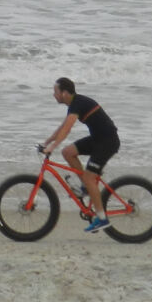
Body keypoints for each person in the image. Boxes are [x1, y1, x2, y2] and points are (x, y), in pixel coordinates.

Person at [40, 77, 120, 233]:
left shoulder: (79, 103)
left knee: (90, 177)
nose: (53, 95)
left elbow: (67, 129)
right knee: (67, 152)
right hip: (98, 139)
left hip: (108, 142)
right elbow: (62, 126)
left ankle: (102, 218)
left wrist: (53, 147)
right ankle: (86, 187)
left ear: (64, 93)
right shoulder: (74, 104)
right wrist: (46, 142)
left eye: (55, 92)